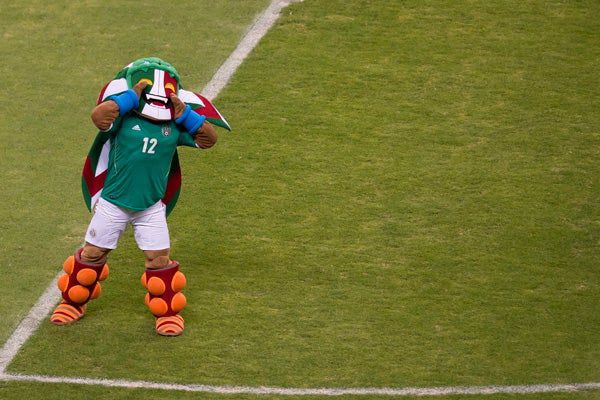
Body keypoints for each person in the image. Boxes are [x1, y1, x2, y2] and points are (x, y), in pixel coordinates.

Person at [50, 58, 219, 336]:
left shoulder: (175, 126)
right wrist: (128, 98)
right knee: (93, 254)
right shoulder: (123, 119)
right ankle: (73, 302)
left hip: (151, 207)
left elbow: (208, 140)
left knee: (159, 261)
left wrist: (187, 116)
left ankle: (167, 314)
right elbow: (99, 117)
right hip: (113, 203)